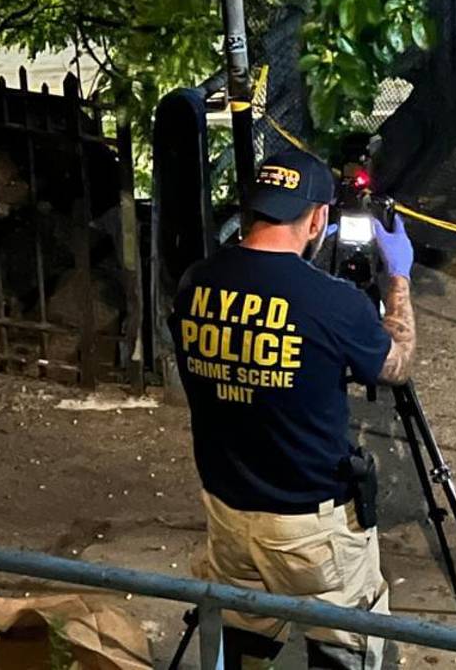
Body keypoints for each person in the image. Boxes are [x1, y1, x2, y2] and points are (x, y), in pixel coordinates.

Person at [168, 147, 416, 670]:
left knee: (244, 637)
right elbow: (395, 365)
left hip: (228, 513)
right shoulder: (334, 303)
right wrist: (399, 278)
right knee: (344, 645)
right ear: (319, 218)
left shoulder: (195, 283)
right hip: (311, 527)